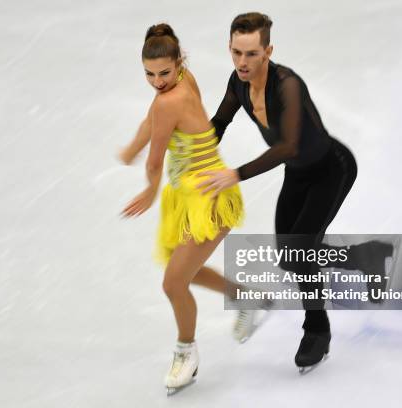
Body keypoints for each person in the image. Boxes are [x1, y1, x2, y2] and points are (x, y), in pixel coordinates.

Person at [195, 12, 364, 371]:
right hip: (299, 175)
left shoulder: (288, 84)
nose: (242, 62)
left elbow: (287, 146)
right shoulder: (237, 83)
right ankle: (348, 258)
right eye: (236, 52)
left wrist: (235, 174)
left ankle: (317, 331)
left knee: (301, 250)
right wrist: (189, 154)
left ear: (267, 50)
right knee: (290, 257)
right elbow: (219, 123)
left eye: (251, 54)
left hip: (331, 169)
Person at [119, 23, 248, 394]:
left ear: (179, 63)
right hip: (194, 192)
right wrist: (132, 146)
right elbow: (151, 120)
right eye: (149, 74)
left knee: (173, 282)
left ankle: (185, 353)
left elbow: (156, 159)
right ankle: (247, 298)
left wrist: (148, 190)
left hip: (205, 198)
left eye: (163, 73)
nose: (157, 81)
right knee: (184, 274)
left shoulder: (168, 100)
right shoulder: (184, 80)